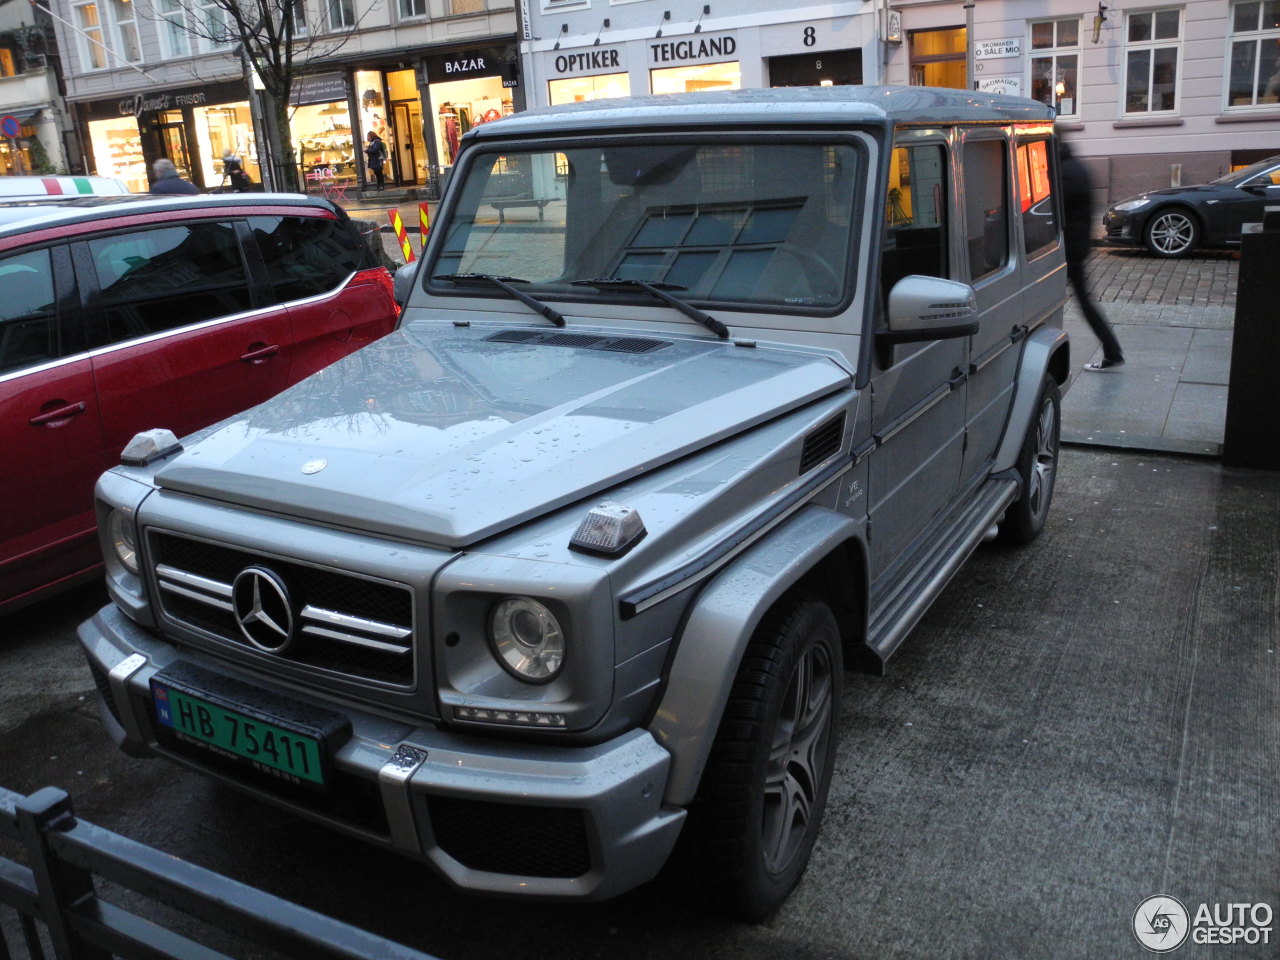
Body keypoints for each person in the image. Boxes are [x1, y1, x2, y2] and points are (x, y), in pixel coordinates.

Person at [1058, 138, 1124, 370]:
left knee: (1079, 302)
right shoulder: (1074, 166)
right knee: (1084, 302)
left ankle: (1113, 352)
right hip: (1076, 245)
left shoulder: (1065, 172)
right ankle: (1113, 352)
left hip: (1069, 249)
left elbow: (1056, 207)